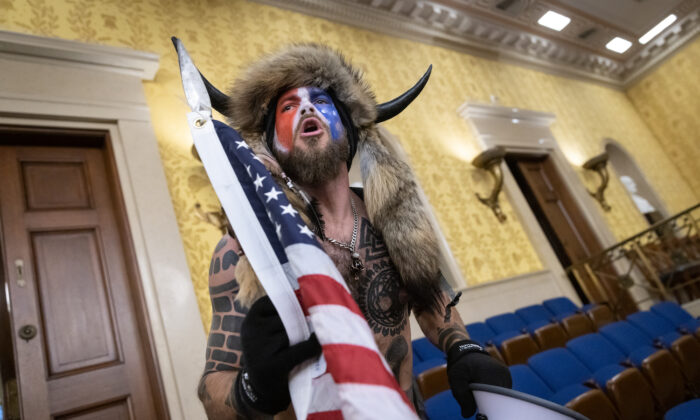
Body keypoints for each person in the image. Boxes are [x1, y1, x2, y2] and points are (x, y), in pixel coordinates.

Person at [195, 44, 511, 419]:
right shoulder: (244, 248)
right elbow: (212, 391)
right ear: (270, 142)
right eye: (288, 106)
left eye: (320, 101)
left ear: (348, 127)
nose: (307, 108)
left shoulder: (392, 224)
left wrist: (462, 348)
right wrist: (253, 390)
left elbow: (430, 298)